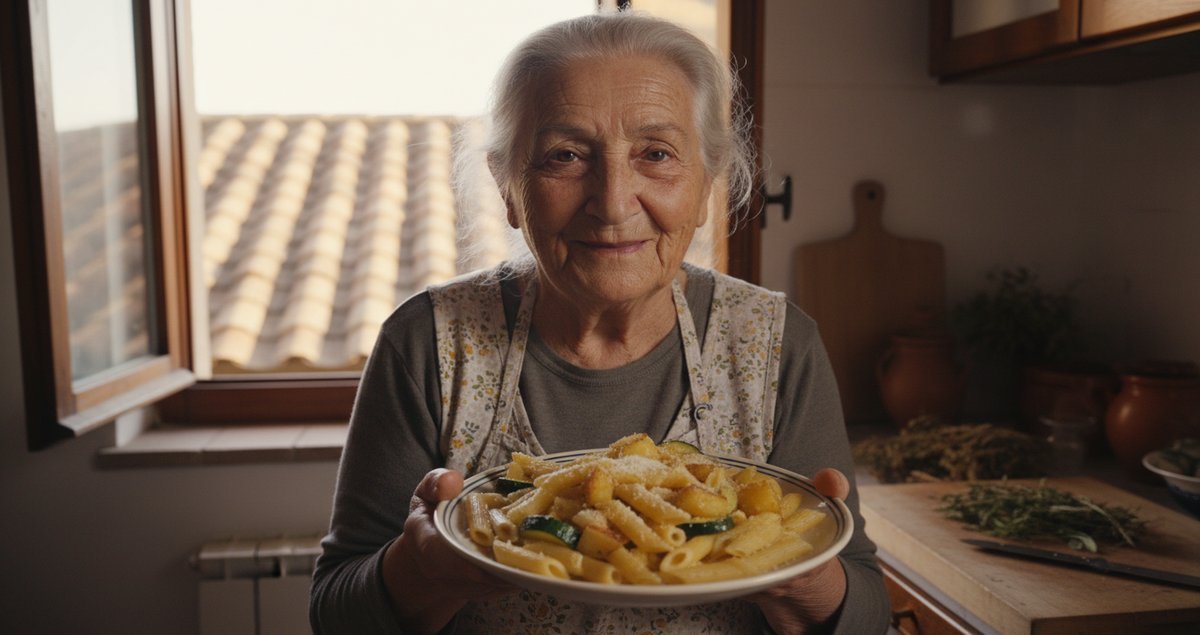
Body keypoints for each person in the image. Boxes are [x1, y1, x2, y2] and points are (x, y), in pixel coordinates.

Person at [310, 12, 890, 634]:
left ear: (704, 187)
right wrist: (419, 570)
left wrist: (805, 577)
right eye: (565, 156)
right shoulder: (427, 341)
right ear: (508, 187)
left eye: (657, 154)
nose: (613, 203)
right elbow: (336, 612)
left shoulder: (778, 346)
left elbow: (867, 615)